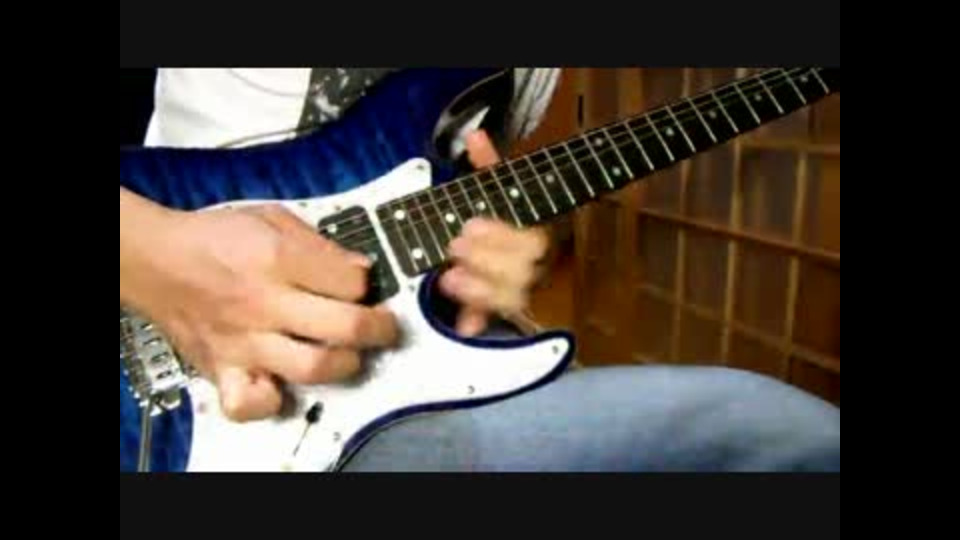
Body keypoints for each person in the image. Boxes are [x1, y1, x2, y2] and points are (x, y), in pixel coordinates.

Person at [120, 68, 841, 472]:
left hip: (369, 386)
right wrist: (154, 259)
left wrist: (522, 247)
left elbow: (470, 187)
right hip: (186, 385)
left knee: (777, 432)